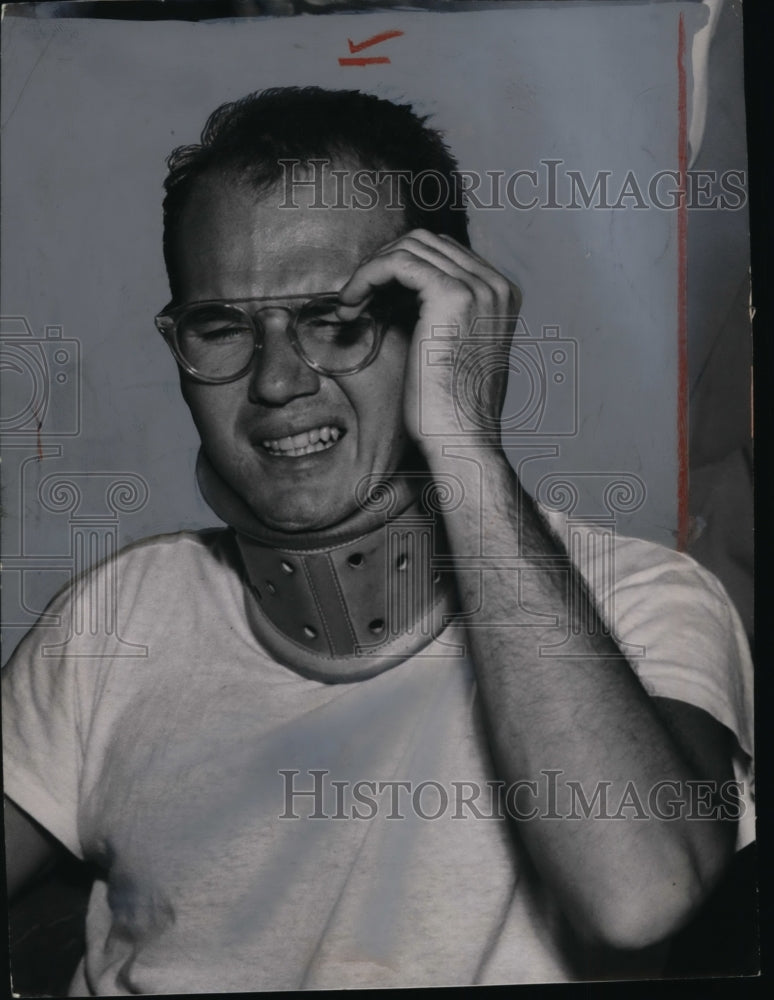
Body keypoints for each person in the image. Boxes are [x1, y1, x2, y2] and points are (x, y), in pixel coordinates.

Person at [2, 87, 754, 993]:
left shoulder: (642, 599)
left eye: (335, 321)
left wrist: (465, 444)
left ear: (440, 324)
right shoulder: (116, 612)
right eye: (220, 328)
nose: (278, 380)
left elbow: (641, 897)